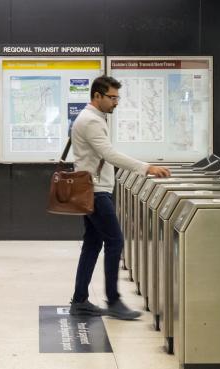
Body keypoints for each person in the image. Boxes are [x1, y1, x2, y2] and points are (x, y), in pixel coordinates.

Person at [68, 76, 171, 320]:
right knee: (115, 241)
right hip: (95, 191)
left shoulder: (92, 118)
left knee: (93, 244)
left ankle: (80, 299)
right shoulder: (91, 120)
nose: (116, 102)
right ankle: (113, 300)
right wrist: (146, 167)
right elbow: (109, 154)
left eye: (117, 97)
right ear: (97, 96)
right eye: (112, 97)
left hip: (93, 188)